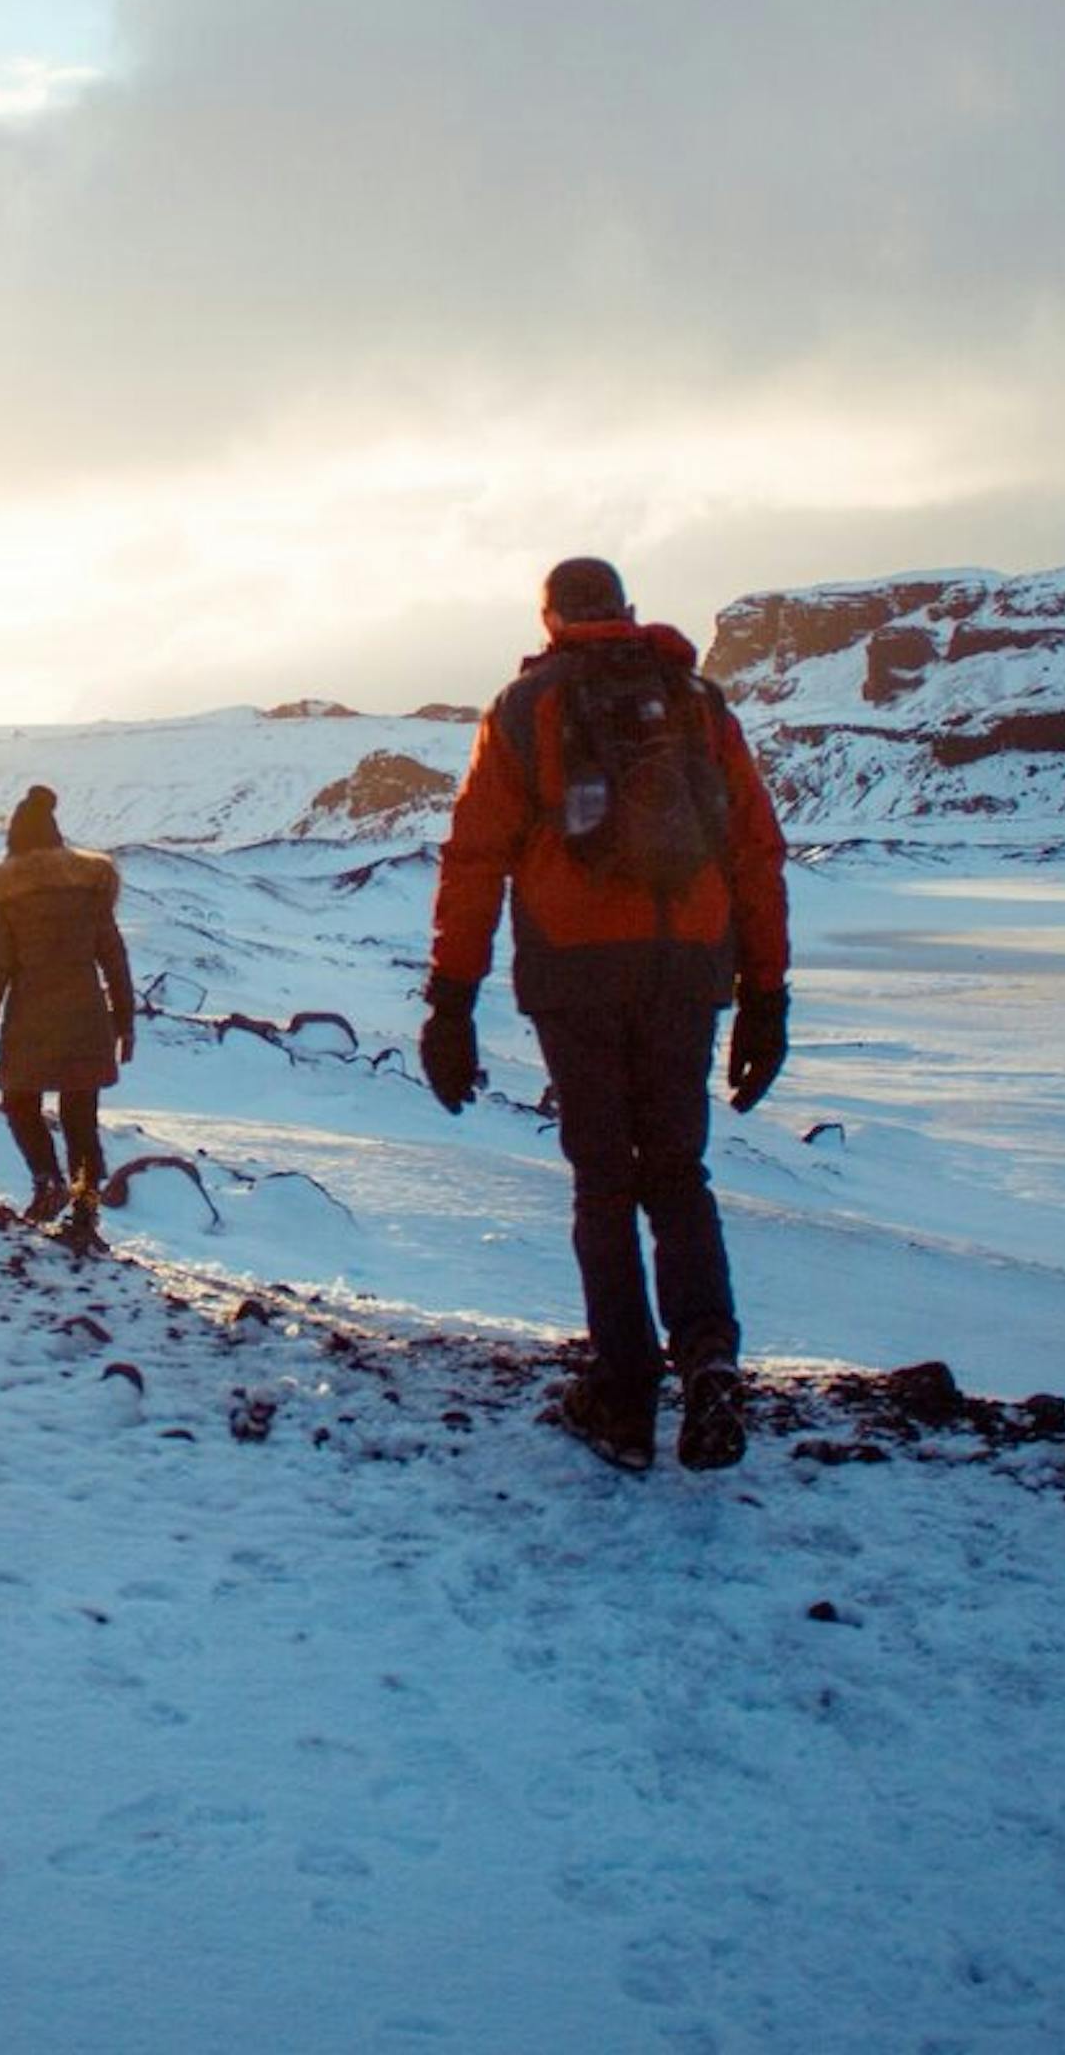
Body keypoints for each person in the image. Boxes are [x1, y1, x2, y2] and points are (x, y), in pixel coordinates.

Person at [421, 556, 791, 1472]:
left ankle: (625, 1399)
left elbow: (474, 860)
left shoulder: (526, 708)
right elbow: (754, 851)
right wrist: (765, 997)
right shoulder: (696, 700)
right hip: (687, 969)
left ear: (549, 619)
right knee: (678, 1173)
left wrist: (451, 1004)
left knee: (603, 1182)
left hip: (574, 971)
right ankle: (708, 1360)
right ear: (624, 609)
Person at [0, 785, 135, 1249]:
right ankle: (84, 1214)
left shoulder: (7, 899)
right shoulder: (90, 889)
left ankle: (47, 1180)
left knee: (20, 1104)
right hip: (87, 1018)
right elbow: (115, 960)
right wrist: (125, 1022)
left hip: (31, 1021)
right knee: (81, 1118)